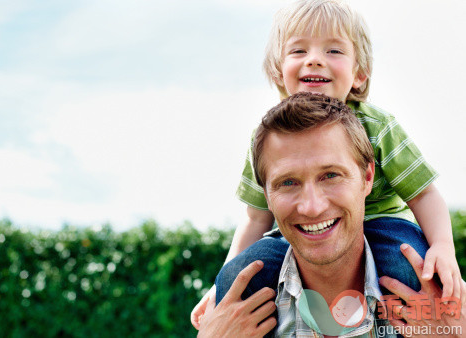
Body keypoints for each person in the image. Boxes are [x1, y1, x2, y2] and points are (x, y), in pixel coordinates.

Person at [191, 0, 464, 329]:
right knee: (243, 275)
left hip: (385, 227)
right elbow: (255, 217)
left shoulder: (378, 125)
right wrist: (223, 287)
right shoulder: (266, 138)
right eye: (298, 51)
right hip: (295, 238)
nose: (315, 59)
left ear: (359, 74)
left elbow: (423, 194)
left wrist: (443, 248)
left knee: (412, 274)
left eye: (333, 51)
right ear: (279, 70)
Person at [197, 93, 465, 337]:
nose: (312, 207)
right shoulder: (236, 317)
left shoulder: (440, 306)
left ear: (368, 178)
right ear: (265, 196)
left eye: (331, 175)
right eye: (287, 182)